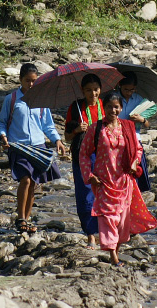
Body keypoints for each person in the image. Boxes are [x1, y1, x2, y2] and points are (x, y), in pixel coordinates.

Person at [79, 92, 157, 265]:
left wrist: (135, 163)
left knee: (122, 221)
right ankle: (114, 258)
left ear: (121, 108)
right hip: (104, 181)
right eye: (109, 107)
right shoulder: (96, 128)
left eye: (116, 107)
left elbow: (138, 149)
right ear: (104, 108)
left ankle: (116, 249)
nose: (113, 110)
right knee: (108, 218)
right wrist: (89, 175)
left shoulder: (128, 127)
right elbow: (84, 154)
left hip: (124, 180)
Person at [0, 62, 66, 234]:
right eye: (27, 80)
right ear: (20, 79)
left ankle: (26, 220)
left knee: (33, 183)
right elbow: (2, 122)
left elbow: (48, 125)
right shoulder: (12, 99)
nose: (31, 84)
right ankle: (20, 218)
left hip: (38, 147)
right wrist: (3, 136)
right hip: (18, 147)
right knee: (25, 180)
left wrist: (57, 140)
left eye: (34, 81)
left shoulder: (41, 101)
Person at [64, 73, 105, 247]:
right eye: (88, 90)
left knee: (105, 192)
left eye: (96, 89)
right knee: (85, 194)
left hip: (104, 154)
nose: (93, 94)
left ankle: (106, 230)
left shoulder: (106, 105)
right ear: (82, 91)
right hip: (82, 156)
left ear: (100, 89)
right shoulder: (75, 108)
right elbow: (66, 137)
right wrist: (76, 131)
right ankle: (90, 233)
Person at [116, 72, 153, 192]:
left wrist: (142, 119)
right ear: (119, 86)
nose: (129, 92)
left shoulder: (139, 100)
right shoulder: (114, 99)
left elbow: (147, 125)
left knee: (136, 170)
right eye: (126, 89)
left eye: (132, 90)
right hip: (117, 139)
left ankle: (135, 195)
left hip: (135, 140)